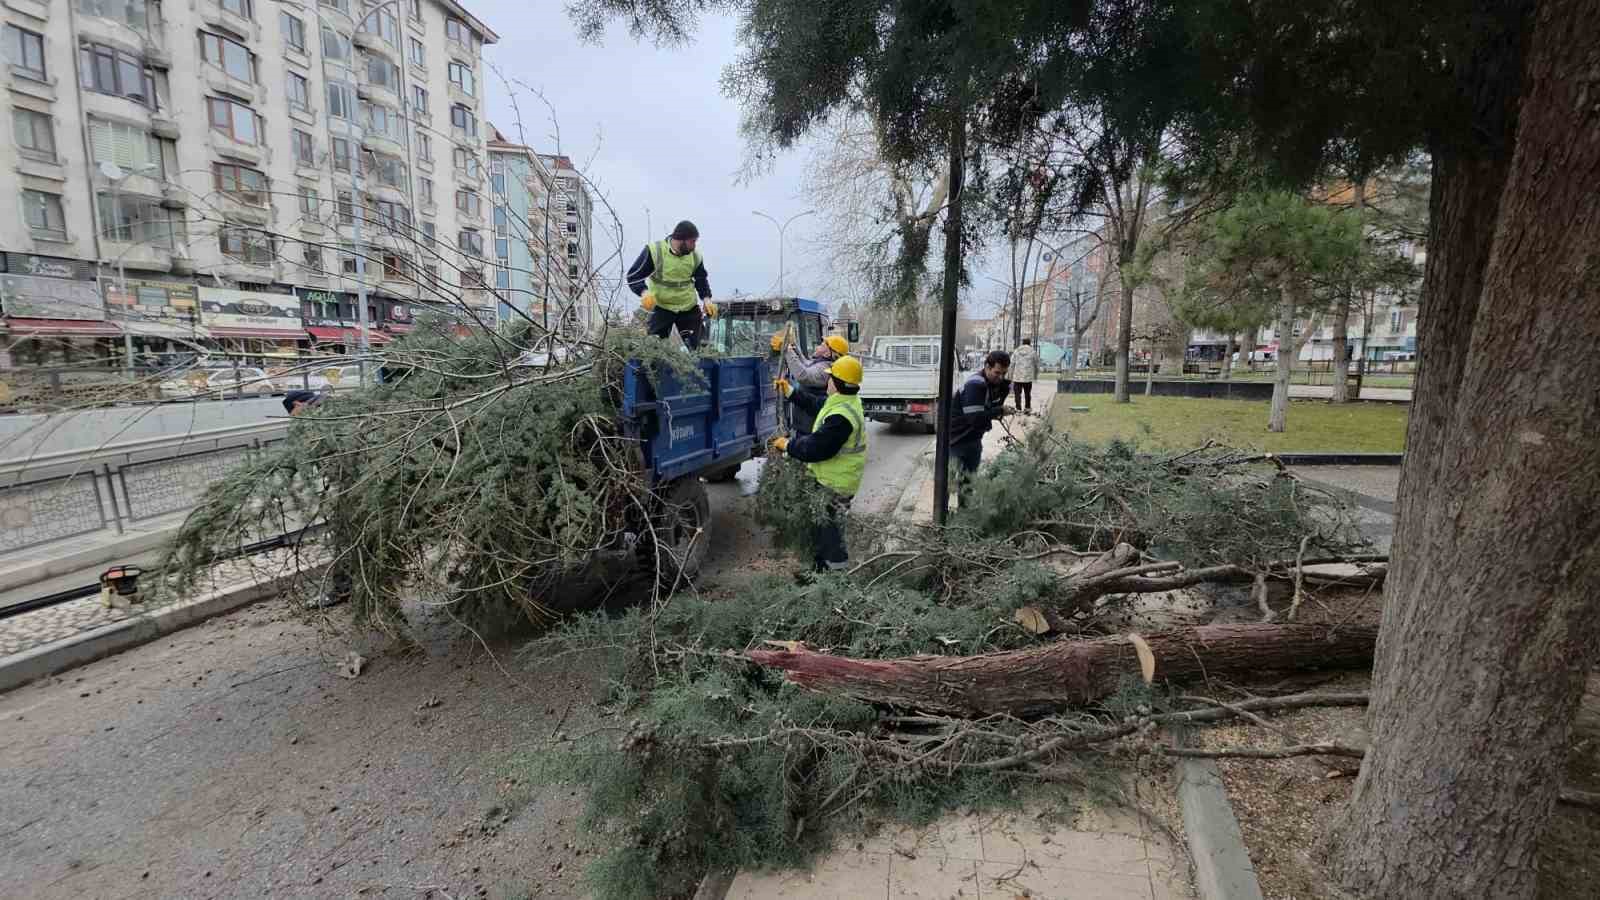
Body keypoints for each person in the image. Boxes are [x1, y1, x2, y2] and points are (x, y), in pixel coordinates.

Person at [772, 355, 867, 572]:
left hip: (836, 485)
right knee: (821, 528)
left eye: (831, 378)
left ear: (838, 382)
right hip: (832, 480)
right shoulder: (843, 402)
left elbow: (816, 448)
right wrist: (790, 391)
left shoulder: (842, 417)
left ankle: (836, 577)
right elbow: (815, 404)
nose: (828, 381)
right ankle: (818, 571)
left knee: (830, 534)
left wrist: (788, 445)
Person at [626, 220, 717, 349]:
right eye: (692, 242)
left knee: (701, 348)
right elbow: (633, 276)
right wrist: (644, 292)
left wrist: (707, 299)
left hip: (688, 308)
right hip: (661, 307)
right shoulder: (655, 251)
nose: (694, 246)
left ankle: (703, 361)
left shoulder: (695, 256)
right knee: (654, 349)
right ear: (681, 240)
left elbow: (701, 279)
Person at [948, 350, 1012, 508]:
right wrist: (1000, 410)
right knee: (948, 483)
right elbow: (975, 418)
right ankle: (942, 518)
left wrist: (1003, 394)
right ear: (987, 367)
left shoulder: (993, 385)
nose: (1001, 377)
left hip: (973, 439)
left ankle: (965, 516)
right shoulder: (975, 384)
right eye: (997, 373)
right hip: (955, 441)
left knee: (968, 483)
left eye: (1004, 373)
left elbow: (989, 411)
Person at [772, 331, 849, 434]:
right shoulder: (822, 363)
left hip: (810, 426)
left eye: (822, 345)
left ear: (828, 353)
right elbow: (805, 363)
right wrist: (794, 345)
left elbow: (803, 375)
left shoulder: (826, 370)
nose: (818, 346)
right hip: (807, 422)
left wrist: (787, 350)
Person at [1010, 338, 1037, 414]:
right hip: (1028, 377)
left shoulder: (1016, 351)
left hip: (1017, 377)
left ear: (1022, 343)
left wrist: (1011, 374)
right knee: (1027, 393)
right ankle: (1027, 408)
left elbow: (1012, 363)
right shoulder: (1033, 352)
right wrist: (1036, 373)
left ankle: (1018, 408)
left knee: (1017, 394)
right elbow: (1036, 363)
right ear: (1029, 343)